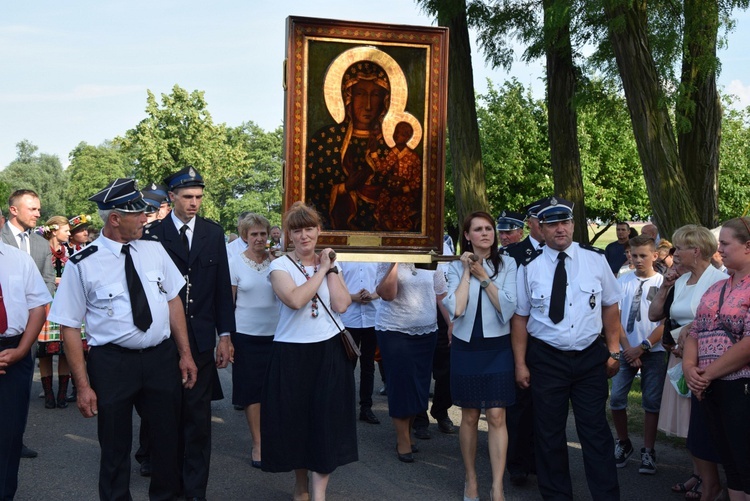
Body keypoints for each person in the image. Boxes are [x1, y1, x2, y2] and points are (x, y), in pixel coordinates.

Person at [48, 178, 197, 500]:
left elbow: (173, 300)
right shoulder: (82, 264)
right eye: (138, 213)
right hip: (112, 363)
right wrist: (84, 385)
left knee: (167, 442)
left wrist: (185, 354)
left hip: (160, 358)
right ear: (115, 218)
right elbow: (70, 326)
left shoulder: (155, 251)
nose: (145, 218)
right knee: (114, 447)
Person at [512, 197, 622, 500]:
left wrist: (613, 350)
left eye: (566, 223)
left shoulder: (595, 259)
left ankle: (606, 496)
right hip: (546, 359)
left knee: (596, 432)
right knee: (548, 435)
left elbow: (611, 305)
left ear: (573, 226)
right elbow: (520, 318)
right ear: (540, 229)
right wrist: (520, 364)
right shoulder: (528, 267)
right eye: (553, 224)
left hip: (589, 358)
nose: (560, 229)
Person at [141, 165, 235, 499]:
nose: (194, 203)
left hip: (201, 339)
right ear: (172, 197)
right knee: (165, 420)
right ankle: (168, 488)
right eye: (187, 197)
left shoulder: (212, 233)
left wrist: (226, 335)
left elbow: (222, 289)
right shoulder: (152, 235)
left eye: (198, 197)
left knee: (198, 421)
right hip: (164, 340)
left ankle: (196, 491)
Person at [261, 202, 355, 501]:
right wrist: (323, 268)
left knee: (325, 422)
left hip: (328, 352)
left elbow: (341, 304)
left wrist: (330, 268)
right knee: (295, 423)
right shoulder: (279, 266)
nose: (304, 236)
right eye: (297, 230)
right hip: (291, 353)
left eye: (309, 229)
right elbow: (296, 299)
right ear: (288, 234)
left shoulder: (330, 263)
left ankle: (319, 495)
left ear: (319, 231)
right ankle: (300, 486)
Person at [648, 224, 727, 500]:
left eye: (679, 248)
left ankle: (710, 482)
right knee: (689, 424)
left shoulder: (718, 280)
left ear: (696, 250)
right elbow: (654, 315)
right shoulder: (679, 280)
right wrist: (666, 286)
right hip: (677, 359)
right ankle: (699, 475)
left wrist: (688, 337)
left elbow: (715, 320)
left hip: (704, 360)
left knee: (702, 422)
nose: (674, 253)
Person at [443, 211, 518, 501]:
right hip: (466, 345)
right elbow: (457, 309)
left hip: (497, 347)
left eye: (489, 228)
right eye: (478, 229)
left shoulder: (508, 263)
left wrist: (484, 277)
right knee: (470, 415)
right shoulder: (453, 267)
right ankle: (471, 479)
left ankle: (497, 485)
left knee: (498, 415)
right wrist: (466, 271)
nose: (485, 233)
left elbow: (508, 308)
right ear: (467, 235)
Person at [684, 216, 750, 500]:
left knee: (745, 461)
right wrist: (689, 368)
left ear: (748, 246)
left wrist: (706, 374)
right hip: (709, 389)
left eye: (725, 243)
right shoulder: (716, 288)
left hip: (740, 388)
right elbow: (695, 332)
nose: (718, 248)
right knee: (731, 463)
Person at [375, 258, 448, 464]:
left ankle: (406, 432)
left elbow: (441, 295)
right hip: (394, 331)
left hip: (427, 332)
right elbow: (388, 294)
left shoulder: (432, 258)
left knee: (419, 386)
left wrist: (451, 325)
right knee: (401, 385)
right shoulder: (388, 260)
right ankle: (402, 439)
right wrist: (395, 261)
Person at [307, 60, 395, 231]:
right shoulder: (326, 140)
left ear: (384, 100)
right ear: (348, 97)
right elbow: (315, 193)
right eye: (361, 94)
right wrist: (344, 188)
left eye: (375, 95)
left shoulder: (390, 145)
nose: (368, 105)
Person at [1, 189, 56, 459]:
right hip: (8, 325)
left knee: (18, 395)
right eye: (32, 208)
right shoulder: (2, 238)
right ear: (13, 210)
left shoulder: (41, 244)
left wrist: (32, 315)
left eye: (38, 209)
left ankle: (15, 439)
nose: (38, 213)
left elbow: (46, 281)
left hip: (26, 330)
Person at [610, 235, 666, 475]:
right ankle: (623, 442)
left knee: (651, 402)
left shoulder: (665, 282)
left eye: (643, 255)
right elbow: (614, 318)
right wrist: (629, 350)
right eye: (634, 255)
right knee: (616, 399)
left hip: (654, 350)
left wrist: (642, 347)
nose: (638, 260)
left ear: (655, 255)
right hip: (626, 350)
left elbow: (666, 322)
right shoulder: (622, 281)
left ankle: (648, 450)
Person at [0, 241, 51, 500]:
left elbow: (37, 307)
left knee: (9, 434)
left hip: (14, 352)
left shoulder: (20, 259)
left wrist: (21, 350)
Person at [500, 197, 546, 485]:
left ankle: (542, 461)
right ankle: (517, 463)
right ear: (530, 223)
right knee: (518, 404)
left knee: (547, 405)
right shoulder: (514, 254)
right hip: (517, 338)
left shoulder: (566, 253)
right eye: (542, 220)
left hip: (548, 340)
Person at [229, 213, 279, 469]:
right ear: (244, 237)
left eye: (263, 233)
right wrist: (225, 338)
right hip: (246, 337)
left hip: (278, 336)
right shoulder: (235, 263)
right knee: (252, 393)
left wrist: (276, 263)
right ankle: (258, 443)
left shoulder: (279, 263)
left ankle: (276, 440)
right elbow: (229, 304)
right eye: (254, 234)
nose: (259, 238)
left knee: (276, 391)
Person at [339, 260, 381, 425]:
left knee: (368, 366)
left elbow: (381, 284)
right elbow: (335, 286)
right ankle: (344, 407)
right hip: (349, 318)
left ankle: (366, 407)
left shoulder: (377, 257)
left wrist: (372, 295)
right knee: (347, 365)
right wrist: (352, 297)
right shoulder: (343, 257)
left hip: (372, 317)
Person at [37, 216, 73, 409]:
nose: (69, 233)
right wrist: (56, 281)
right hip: (47, 301)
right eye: (66, 230)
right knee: (45, 351)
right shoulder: (42, 250)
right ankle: (49, 394)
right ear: (54, 230)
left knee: (66, 349)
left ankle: (62, 394)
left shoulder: (71, 251)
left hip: (66, 303)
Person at [373, 121, 422, 231]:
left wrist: (403, 189)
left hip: (406, 193)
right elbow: (382, 169)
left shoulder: (413, 157)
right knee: (382, 203)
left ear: (406, 137)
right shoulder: (392, 153)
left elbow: (417, 181)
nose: (395, 136)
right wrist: (374, 153)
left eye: (399, 133)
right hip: (391, 190)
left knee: (398, 208)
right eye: (395, 132)